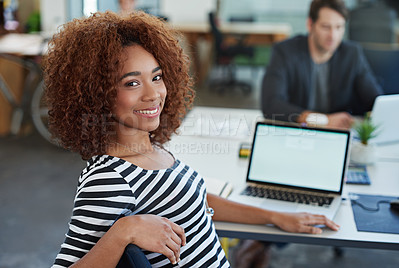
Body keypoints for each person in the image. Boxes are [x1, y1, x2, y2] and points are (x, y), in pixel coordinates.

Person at [45, 11, 340, 267]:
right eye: (132, 83)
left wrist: (276, 216)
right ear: (97, 94)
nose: (153, 93)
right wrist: (125, 231)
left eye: (157, 77)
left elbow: (196, 200)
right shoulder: (108, 178)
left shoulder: (151, 149)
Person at [261, 0, 382, 130]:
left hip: (337, 134)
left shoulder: (352, 54)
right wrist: (323, 120)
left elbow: (376, 102)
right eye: (326, 27)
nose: (333, 36)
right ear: (310, 24)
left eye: (339, 27)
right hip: (299, 130)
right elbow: (271, 104)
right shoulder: (285, 52)